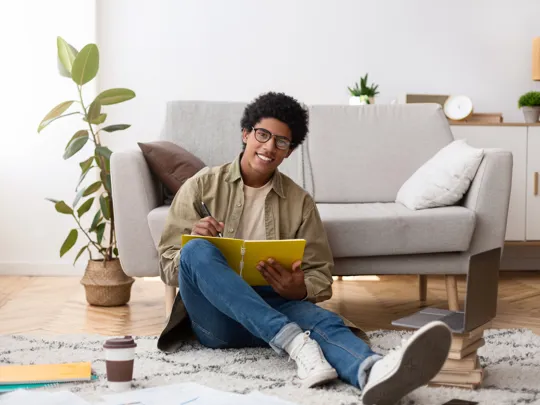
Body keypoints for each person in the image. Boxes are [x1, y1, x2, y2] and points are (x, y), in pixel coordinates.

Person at [157, 92, 452, 404]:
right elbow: (167, 264)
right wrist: (195, 238)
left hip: (274, 304)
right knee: (196, 251)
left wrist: (298, 289)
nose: (270, 146)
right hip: (217, 320)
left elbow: (320, 276)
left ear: (289, 151)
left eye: (281, 142)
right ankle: (294, 341)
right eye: (263, 135)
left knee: (326, 321)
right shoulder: (202, 185)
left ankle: (372, 373)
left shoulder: (300, 202)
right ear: (246, 134)